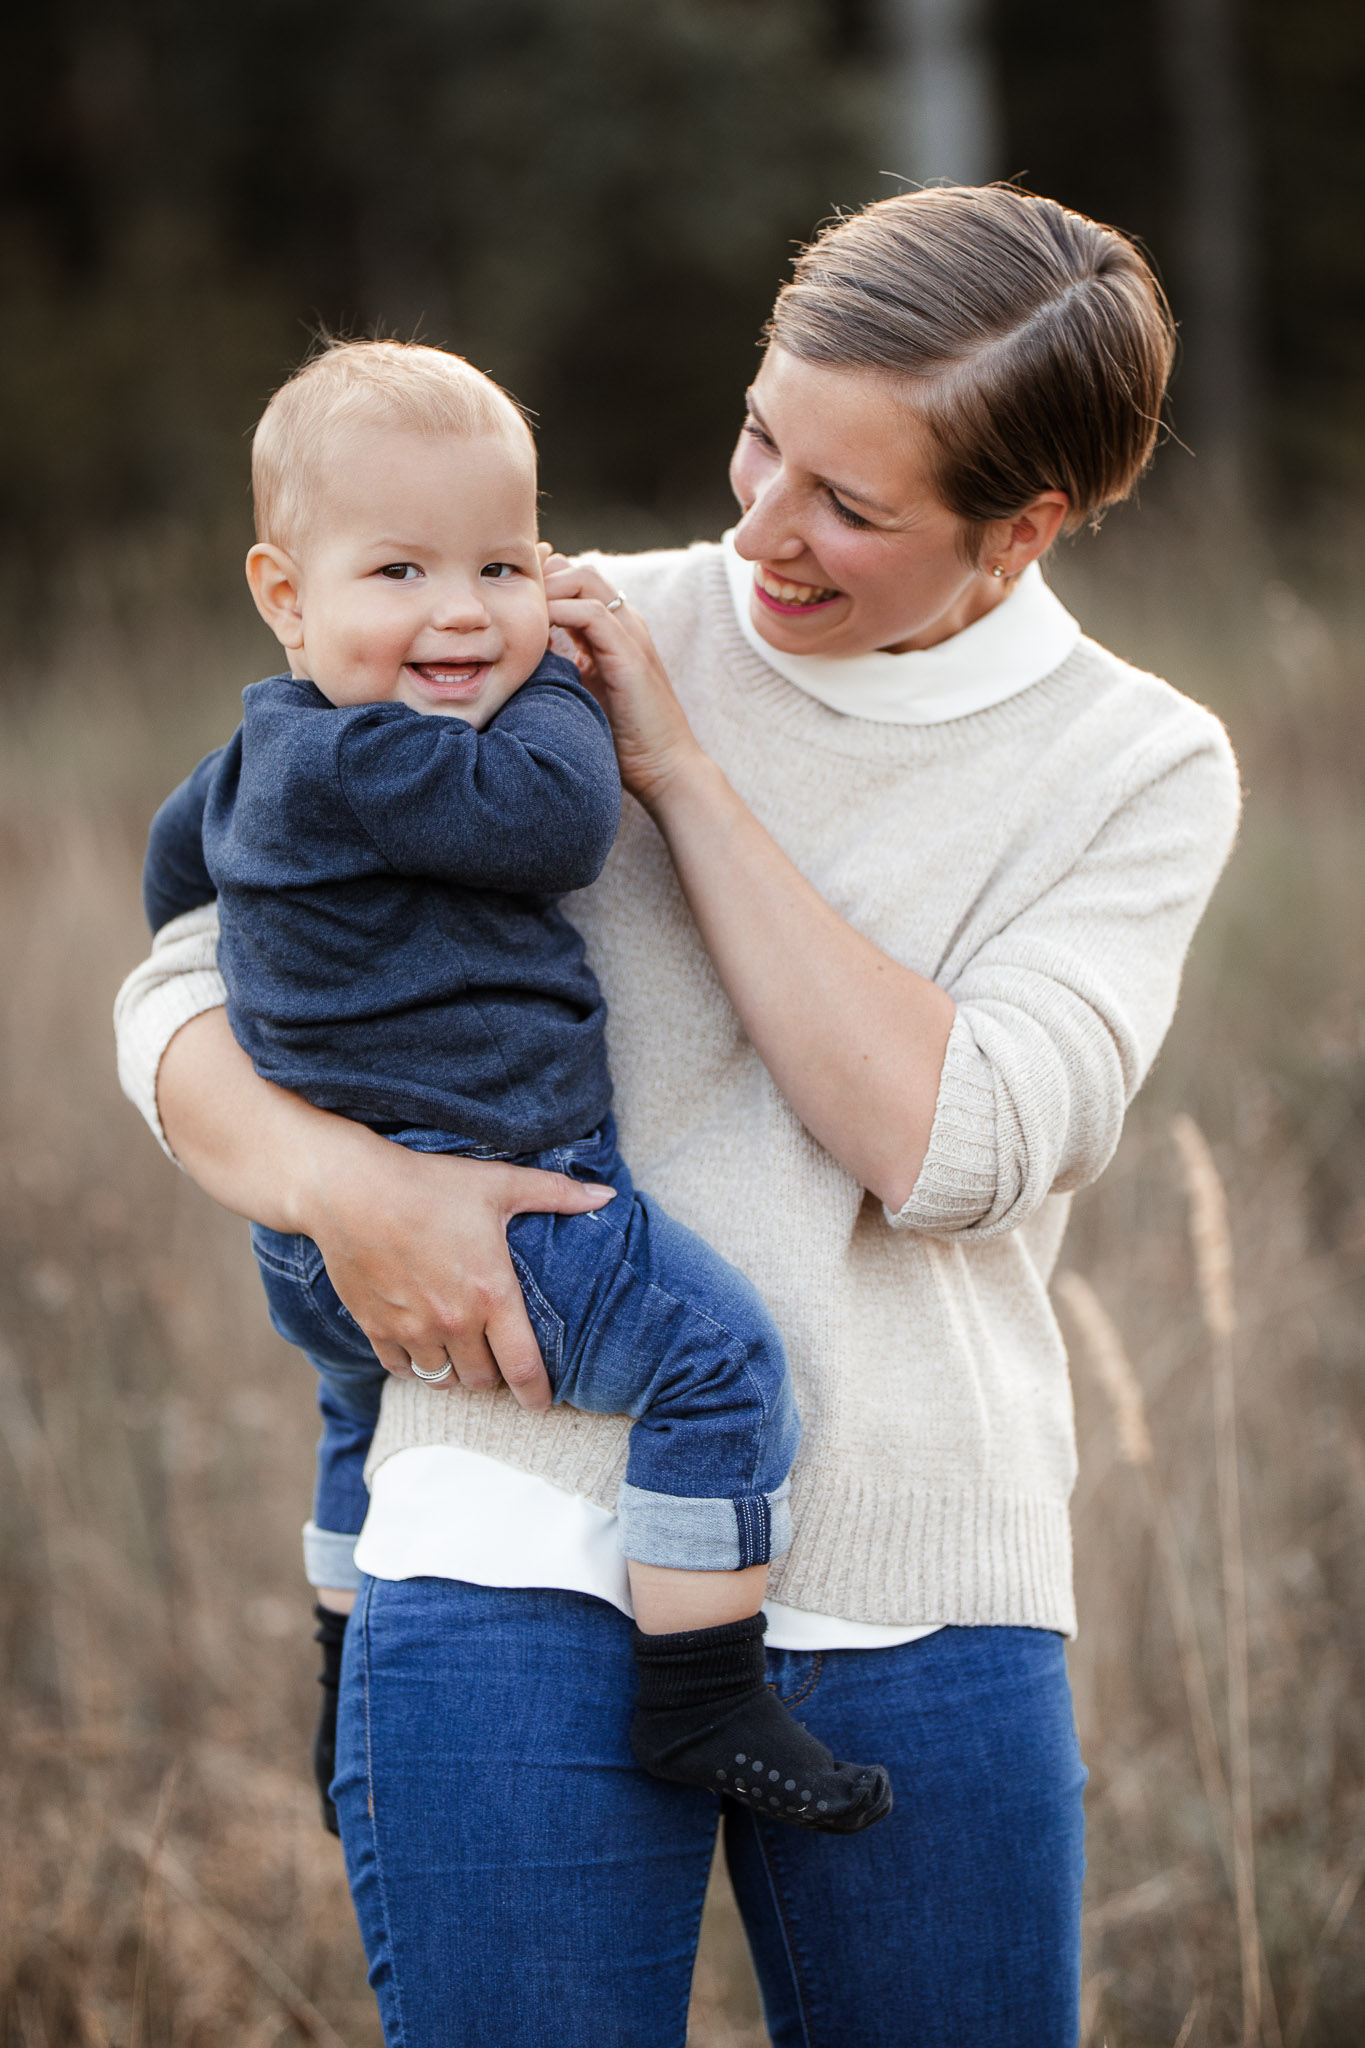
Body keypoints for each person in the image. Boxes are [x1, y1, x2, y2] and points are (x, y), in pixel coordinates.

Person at [114, 185, 1240, 2047]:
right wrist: (341, 1189)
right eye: (761, 438)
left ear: (1020, 528)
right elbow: (184, 973)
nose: (756, 529)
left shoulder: (1133, 767)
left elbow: (944, 1145)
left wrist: (682, 775)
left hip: (917, 1576)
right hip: (506, 1524)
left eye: (847, 507)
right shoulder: (525, 616)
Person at [138, 338, 890, 1838]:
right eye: (400, 572)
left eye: (502, 563)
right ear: (284, 595)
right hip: (491, 1196)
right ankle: (702, 1693)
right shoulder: (384, 761)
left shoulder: (258, 759)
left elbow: (174, 878)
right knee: (716, 1362)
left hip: (316, 1243)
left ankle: (342, 1654)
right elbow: (555, 823)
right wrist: (561, 669)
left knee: (357, 1413)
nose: (466, 614)